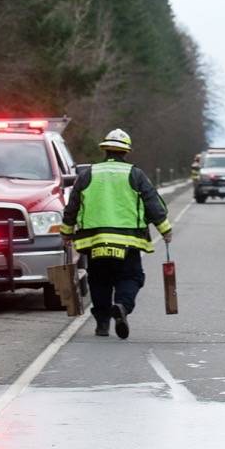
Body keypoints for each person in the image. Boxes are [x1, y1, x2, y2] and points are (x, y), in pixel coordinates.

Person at [60, 128, 172, 339]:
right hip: (128, 242)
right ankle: (122, 306)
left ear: (105, 150)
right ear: (126, 152)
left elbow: (72, 206)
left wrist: (66, 233)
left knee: (99, 280)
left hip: (95, 242)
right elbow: (153, 204)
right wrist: (165, 230)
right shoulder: (135, 174)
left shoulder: (88, 174)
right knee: (131, 277)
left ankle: (102, 323)